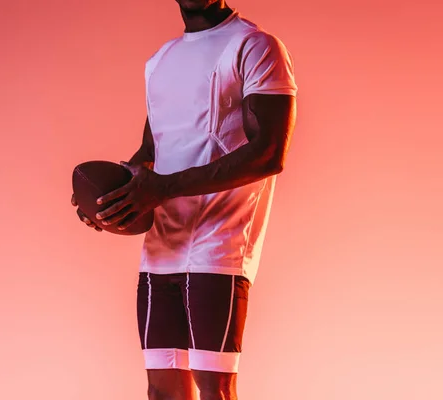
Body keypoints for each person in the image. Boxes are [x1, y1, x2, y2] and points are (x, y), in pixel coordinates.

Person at [71, 1, 298, 399]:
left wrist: (164, 188)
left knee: (215, 390)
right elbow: (150, 152)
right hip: (161, 249)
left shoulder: (254, 46)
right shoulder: (161, 60)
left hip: (218, 248)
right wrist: (111, 202)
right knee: (162, 392)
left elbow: (269, 153)